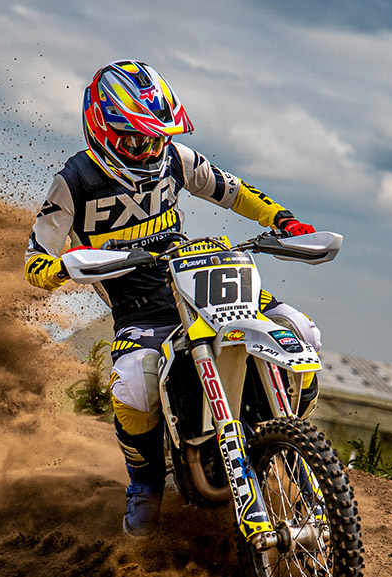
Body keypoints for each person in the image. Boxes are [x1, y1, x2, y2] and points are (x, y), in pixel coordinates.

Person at [24, 59, 322, 537]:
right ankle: (144, 486)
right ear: (103, 130)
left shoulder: (174, 158)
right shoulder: (74, 182)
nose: (148, 150)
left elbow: (233, 191)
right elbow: (34, 263)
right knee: (133, 382)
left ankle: (286, 441)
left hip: (200, 275)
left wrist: (283, 221)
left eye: (156, 138)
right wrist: (66, 266)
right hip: (140, 303)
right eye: (137, 139)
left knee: (303, 331)